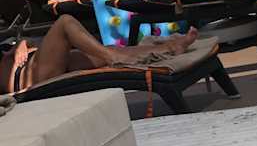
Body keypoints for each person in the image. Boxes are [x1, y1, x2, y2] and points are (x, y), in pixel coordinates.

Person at [0, 14, 198, 96]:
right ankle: (114, 58)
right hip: (28, 78)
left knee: (109, 50)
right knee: (65, 22)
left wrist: (22, 43)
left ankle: (171, 47)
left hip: (36, 62)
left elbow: (12, 46)